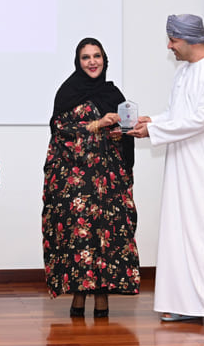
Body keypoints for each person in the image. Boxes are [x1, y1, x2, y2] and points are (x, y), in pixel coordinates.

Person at [128, 14, 204, 332]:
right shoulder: (183, 73)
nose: (169, 46)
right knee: (177, 235)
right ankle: (182, 304)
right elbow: (178, 115)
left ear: (191, 40)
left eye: (173, 40)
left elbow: (200, 120)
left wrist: (154, 130)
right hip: (179, 168)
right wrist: (153, 120)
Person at [42, 37, 140, 318]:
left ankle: (101, 296)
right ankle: (78, 294)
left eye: (97, 56)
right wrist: (97, 124)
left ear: (104, 60)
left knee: (106, 235)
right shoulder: (68, 91)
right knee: (78, 235)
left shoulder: (113, 93)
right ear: (78, 61)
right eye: (86, 57)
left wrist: (123, 130)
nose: (92, 62)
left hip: (108, 180)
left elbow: (122, 134)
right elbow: (60, 130)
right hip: (75, 180)